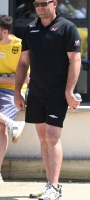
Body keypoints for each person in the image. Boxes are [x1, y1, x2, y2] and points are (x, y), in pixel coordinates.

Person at [14, 0, 82, 199]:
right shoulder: (30, 29)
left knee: (52, 137)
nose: (40, 6)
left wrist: (69, 92)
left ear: (54, 4)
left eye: (44, 3)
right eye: (36, 4)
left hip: (57, 92)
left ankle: (55, 187)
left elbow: (75, 60)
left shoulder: (67, 27)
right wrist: (18, 91)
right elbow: (23, 62)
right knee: (43, 138)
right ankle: (48, 185)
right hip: (35, 91)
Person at [0, 14, 30, 184]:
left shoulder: (20, 46)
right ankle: (12, 124)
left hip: (14, 91)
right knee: (4, 124)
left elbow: (25, 78)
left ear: (5, 32)